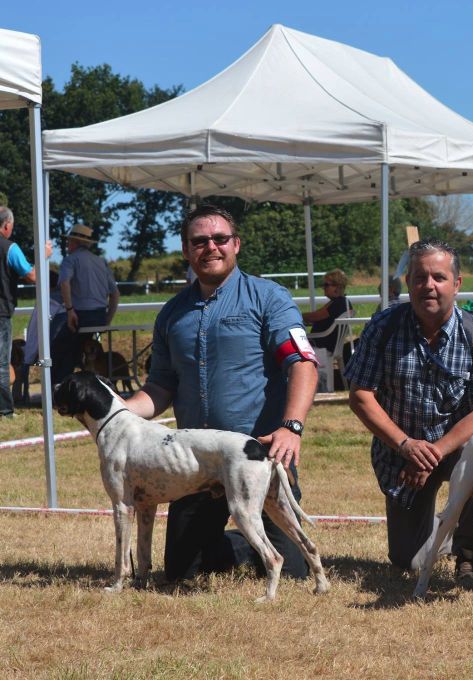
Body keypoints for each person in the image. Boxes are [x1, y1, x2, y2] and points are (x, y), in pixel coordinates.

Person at [124, 205, 319, 583]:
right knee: (181, 573)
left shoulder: (269, 298)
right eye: (199, 241)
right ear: (186, 250)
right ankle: (234, 542)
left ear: (236, 244)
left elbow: (302, 363)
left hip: (258, 455)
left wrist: (291, 427)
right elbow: (160, 387)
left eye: (220, 239)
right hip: (193, 462)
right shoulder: (171, 314)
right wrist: (119, 412)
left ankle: (254, 545)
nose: (210, 247)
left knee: (292, 572)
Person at [345, 239, 473, 576]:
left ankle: (469, 551)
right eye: (419, 278)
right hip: (401, 452)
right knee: (410, 562)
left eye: (439, 277)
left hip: (457, 448)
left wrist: (433, 452)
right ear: (408, 283)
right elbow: (360, 395)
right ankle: (441, 533)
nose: (428, 286)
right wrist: (406, 446)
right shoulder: (383, 327)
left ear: (457, 284)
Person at [0, 206, 52, 417]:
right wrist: (44, 256)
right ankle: (4, 411)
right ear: (6, 225)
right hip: (1, 312)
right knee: (2, 364)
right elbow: (32, 276)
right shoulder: (10, 248)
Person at [53, 224, 119, 384]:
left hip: (80, 316)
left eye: (69, 241)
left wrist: (70, 310)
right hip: (98, 316)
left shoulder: (70, 260)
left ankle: (59, 386)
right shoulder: (100, 261)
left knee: (57, 346)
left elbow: (64, 284)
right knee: (76, 345)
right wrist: (107, 319)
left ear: (75, 242)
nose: (67, 245)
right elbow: (115, 294)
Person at [15, 270, 63, 405]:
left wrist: (28, 356)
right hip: (58, 347)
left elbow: (34, 333)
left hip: (41, 350)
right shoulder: (65, 301)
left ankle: (20, 395)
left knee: (22, 359)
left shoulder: (45, 302)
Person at [303, 268, 353, 351]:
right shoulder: (342, 302)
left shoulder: (338, 304)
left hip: (322, 345)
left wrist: (296, 315)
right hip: (327, 343)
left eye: (326, 285)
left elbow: (314, 316)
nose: (323, 287)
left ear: (337, 286)